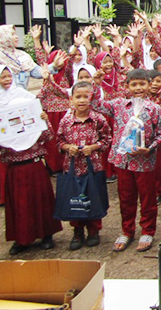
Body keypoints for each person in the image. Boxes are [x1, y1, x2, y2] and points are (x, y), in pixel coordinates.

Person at [91, 68, 161, 253]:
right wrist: (96, 84)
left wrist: (149, 148)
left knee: (147, 198)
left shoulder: (155, 109)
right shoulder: (118, 105)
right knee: (126, 197)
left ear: (150, 86)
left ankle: (147, 231)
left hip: (145, 160)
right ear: (127, 86)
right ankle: (127, 230)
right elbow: (95, 104)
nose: (138, 88)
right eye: (134, 84)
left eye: (142, 84)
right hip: (123, 160)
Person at [0, 65, 62, 255]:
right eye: (3, 77)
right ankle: (22, 239)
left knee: (40, 199)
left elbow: (48, 137)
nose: (8, 79)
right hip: (14, 166)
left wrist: (43, 120)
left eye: (9, 76)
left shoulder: (26, 99)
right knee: (19, 204)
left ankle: (47, 234)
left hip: (34, 164)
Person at [56, 81, 111, 250]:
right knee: (75, 197)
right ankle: (77, 230)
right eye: (77, 97)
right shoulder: (66, 121)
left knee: (92, 196)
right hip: (72, 167)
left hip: (92, 166)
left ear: (91, 98)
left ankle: (93, 230)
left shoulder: (98, 119)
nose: (81, 100)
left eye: (85, 96)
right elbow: (59, 141)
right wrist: (68, 148)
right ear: (71, 99)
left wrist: (93, 147)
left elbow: (107, 140)